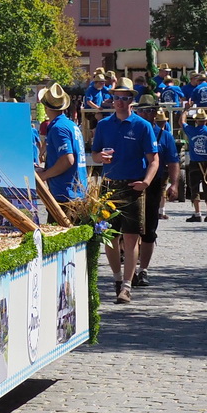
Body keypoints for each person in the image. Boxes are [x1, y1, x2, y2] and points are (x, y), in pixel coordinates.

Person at [91, 78, 158, 305]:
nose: (119, 102)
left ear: (132, 100)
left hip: (133, 186)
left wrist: (146, 182)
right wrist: (100, 158)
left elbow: (154, 159)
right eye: (116, 97)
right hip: (109, 186)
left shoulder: (142, 126)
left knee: (131, 238)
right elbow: (95, 154)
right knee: (109, 237)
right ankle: (117, 279)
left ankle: (127, 287)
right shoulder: (103, 125)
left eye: (124, 98)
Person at [134, 95, 180, 288]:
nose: (146, 114)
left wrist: (175, 184)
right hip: (131, 183)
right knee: (129, 228)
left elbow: (173, 162)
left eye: (150, 110)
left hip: (153, 185)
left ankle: (143, 269)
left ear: (156, 113)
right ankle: (129, 265)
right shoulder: (131, 131)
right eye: (143, 110)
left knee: (149, 229)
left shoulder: (164, 136)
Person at [36, 83, 86, 203]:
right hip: (75, 191)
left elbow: (67, 160)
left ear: (45, 106)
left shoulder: (58, 128)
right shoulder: (70, 125)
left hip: (65, 194)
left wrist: (44, 175)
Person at [180, 109, 207, 223]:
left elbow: (182, 122)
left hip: (195, 162)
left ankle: (197, 213)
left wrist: (185, 110)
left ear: (196, 121)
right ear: (206, 120)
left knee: (195, 188)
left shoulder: (191, 130)